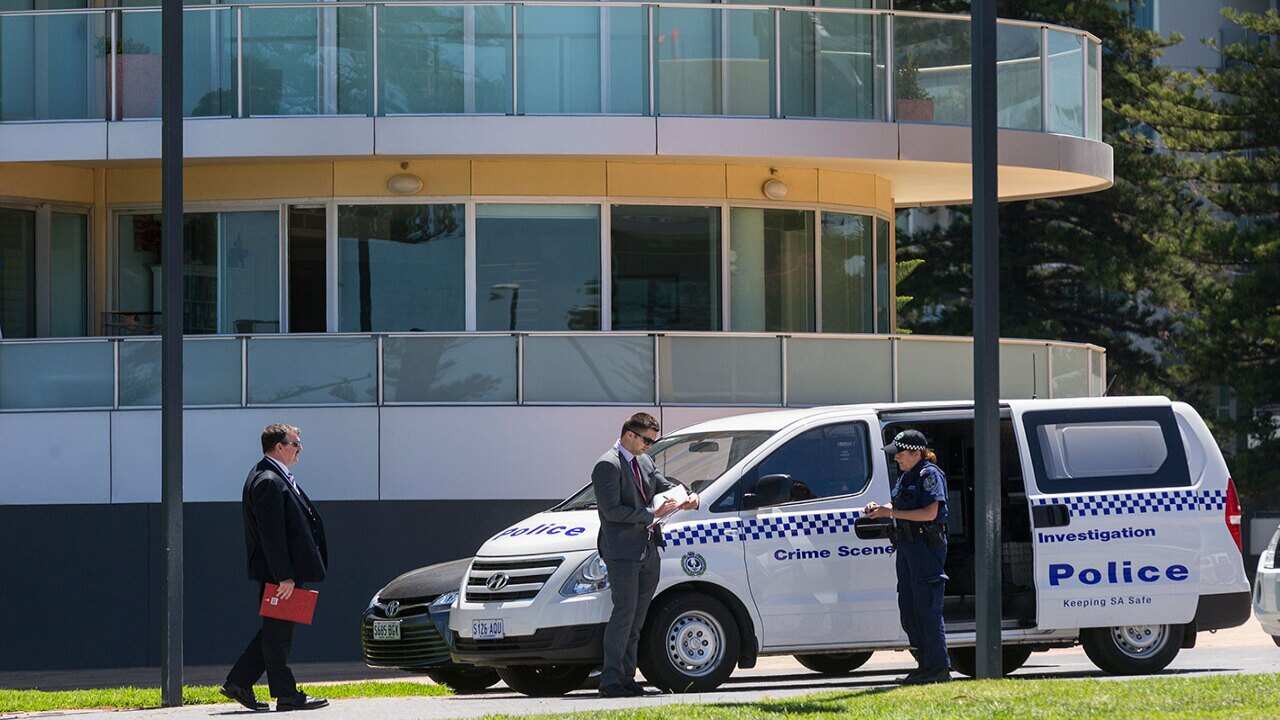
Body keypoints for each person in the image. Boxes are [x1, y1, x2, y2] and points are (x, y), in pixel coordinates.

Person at [222, 424, 330, 711]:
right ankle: (285, 695)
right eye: (295, 443)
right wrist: (285, 576)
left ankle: (239, 682)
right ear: (278, 446)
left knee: (275, 632)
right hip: (280, 575)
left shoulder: (273, 476)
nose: (300, 448)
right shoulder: (268, 480)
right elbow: (272, 536)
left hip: (284, 574)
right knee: (278, 635)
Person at [591, 412, 698, 697]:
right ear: (630, 435)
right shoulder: (607, 465)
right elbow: (611, 511)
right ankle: (611, 680)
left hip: (648, 548)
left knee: (637, 619)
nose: (650, 446)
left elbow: (664, 484)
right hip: (623, 551)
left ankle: (627, 678)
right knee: (624, 615)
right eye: (647, 440)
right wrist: (652, 513)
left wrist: (687, 495)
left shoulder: (645, 461)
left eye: (652, 441)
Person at [864, 428, 951, 685]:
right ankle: (924, 666)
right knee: (910, 610)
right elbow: (903, 506)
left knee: (927, 609)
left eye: (899, 453)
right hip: (907, 547)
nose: (896, 459)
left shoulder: (929, 474)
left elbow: (929, 514)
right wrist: (880, 510)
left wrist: (890, 514)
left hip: (925, 547)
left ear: (915, 452)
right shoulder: (906, 475)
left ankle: (938, 669)